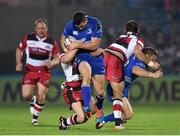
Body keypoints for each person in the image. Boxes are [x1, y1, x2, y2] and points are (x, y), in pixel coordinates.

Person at [104, 20, 160, 129]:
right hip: (115, 58)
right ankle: (115, 123)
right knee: (118, 95)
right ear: (138, 31)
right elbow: (138, 53)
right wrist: (152, 65)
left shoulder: (120, 37)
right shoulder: (138, 40)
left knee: (109, 91)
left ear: (126, 30)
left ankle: (108, 118)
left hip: (106, 54)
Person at [96, 47, 163, 129]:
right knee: (128, 114)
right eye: (152, 60)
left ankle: (110, 122)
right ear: (146, 55)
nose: (152, 62)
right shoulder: (139, 63)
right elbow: (135, 70)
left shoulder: (133, 56)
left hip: (122, 85)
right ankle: (104, 120)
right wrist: (153, 75)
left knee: (126, 114)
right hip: (118, 86)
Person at [60, 11, 105, 123]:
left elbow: (95, 44)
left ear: (85, 20)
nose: (79, 28)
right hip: (81, 56)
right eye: (77, 27)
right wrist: (66, 49)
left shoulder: (95, 23)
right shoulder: (70, 25)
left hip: (95, 56)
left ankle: (99, 108)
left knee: (100, 91)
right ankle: (87, 107)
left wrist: (77, 44)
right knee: (86, 78)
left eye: (81, 26)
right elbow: (62, 38)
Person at [15, 18, 60, 125]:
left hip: (45, 72)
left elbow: (58, 57)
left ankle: (35, 118)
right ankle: (32, 100)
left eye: (43, 28)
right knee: (26, 95)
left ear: (46, 29)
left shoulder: (51, 42)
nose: (41, 30)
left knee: (41, 95)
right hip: (30, 71)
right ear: (35, 29)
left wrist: (52, 63)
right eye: (39, 28)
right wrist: (18, 63)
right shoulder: (28, 38)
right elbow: (19, 50)